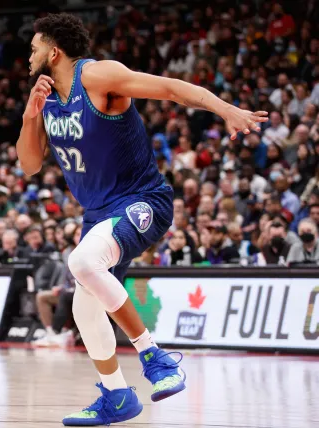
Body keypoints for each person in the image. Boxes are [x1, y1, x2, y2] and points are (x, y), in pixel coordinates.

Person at [17, 13, 267, 425]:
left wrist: (225, 109)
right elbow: (28, 164)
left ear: (54, 50)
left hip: (142, 199)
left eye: (34, 47)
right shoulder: (45, 100)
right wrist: (31, 114)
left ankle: (156, 357)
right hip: (98, 214)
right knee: (85, 308)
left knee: (80, 263)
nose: (30, 56)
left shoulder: (97, 76)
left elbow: (169, 88)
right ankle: (117, 395)